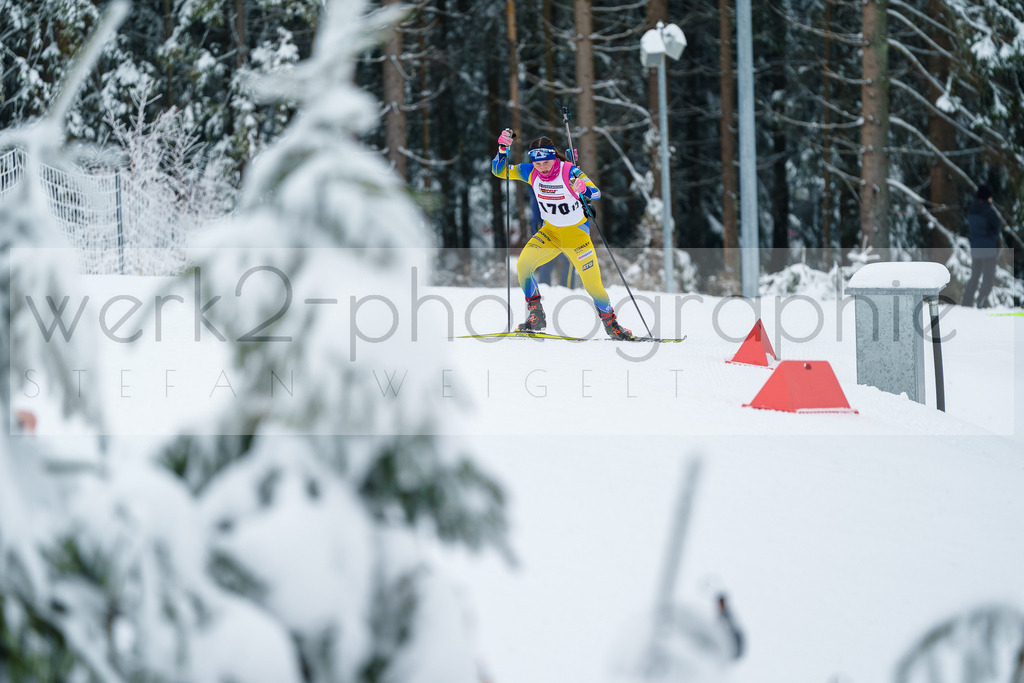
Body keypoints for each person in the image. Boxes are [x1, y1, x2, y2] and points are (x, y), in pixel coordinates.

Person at [491, 129, 635, 339]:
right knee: (523, 266)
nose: (542, 168)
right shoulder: (529, 171)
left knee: (593, 285)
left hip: (576, 237)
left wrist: (582, 188)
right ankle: (536, 315)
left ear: (553, 157)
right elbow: (499, 171)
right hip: (550, 233)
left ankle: (612, 325)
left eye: (546, 163)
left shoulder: (568, 171)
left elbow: (595, 192)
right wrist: (503, 149)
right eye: (538, 164)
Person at [961, 184, 1002, 308]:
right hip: (989, 248)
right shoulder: (989, 211)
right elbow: (998, 226)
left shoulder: (972, 209)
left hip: (976, 249)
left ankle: (966, 301)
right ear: (986, 197)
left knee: (975, 276)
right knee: (988, 277)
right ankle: (982, 301)